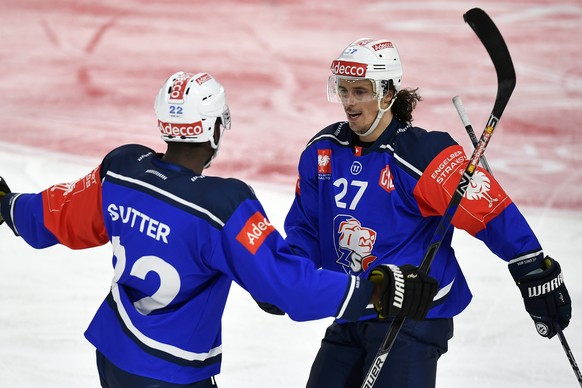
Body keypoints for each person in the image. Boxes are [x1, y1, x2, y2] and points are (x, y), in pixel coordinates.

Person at [0, 71, 439, 387]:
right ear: (213, 128)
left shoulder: (122, 169)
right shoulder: (222, 204)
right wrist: (376, 290)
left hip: (113, 356)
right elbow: (282, 286)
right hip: (172, 372)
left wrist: (9, 206)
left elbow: (59, 213)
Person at [282, 38, 572, 387]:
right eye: (343, 90)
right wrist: (284, 275)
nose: (349, 102)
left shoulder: (420, 153)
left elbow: (488, 211)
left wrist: (532, 268)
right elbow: (306, 228)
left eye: (360, 91)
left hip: (414, 314)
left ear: (387, 94)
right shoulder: (323, 151)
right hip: (353, 306)